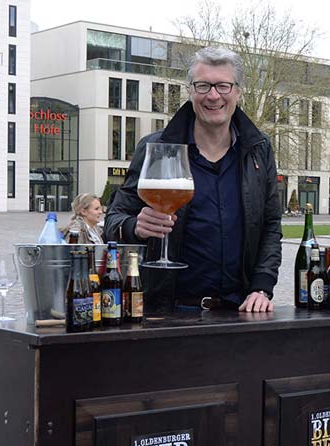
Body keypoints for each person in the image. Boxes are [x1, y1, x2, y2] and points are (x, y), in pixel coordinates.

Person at [103, 46, 282, 313]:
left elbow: (270, 225)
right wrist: (135, 227)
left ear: (238, 92)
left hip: (239, 311)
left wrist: (262, 286)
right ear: (189, 90)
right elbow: (113, 221)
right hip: (170, 312)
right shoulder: (156, 148)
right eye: (203, 86)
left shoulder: (259, 150)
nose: (213, 96)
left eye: (223, 86)